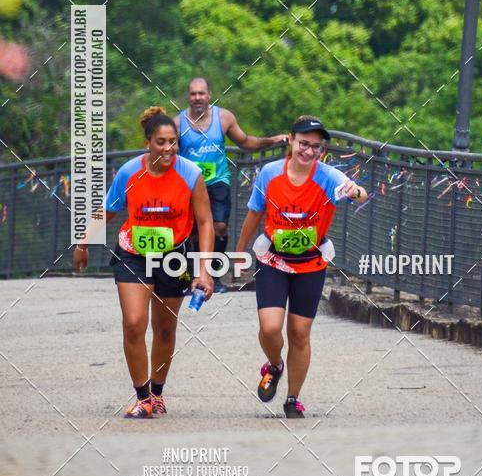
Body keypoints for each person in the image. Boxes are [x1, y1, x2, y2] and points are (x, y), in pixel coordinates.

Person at [73, 106, 214, 419]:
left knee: (165, 329)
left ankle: (158, 393)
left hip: (174, 256)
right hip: (134, 254)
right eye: (161, 142)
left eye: (173, 142)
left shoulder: (191, 173)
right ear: (148, 143)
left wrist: (204, 270)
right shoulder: (129, 172)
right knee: (134, 323)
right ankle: (142, 397)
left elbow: (204, 222)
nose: (168, 148)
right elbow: (108, 210)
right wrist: (82, 242)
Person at [235, 115, 368, 418]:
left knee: (299, 333)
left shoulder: (329, 176)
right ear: (292, 140)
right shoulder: (269, 173)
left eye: (316, 147)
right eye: (303, 144)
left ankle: (293, 398)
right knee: (270, 328)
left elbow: (360, 192)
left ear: (322, 151)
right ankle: (274, 365)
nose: (308, 151)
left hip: (310, 262)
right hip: (273, 259)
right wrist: (239, 252)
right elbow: (255, 214)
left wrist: (353, 191)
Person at [174, 77, 286, 293]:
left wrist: (272, 140)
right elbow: (167, 152)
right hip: (190, 184)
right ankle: (194, 277)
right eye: (193, 94)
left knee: (219, 226)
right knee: (192, 231)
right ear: (188, 96)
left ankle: (214, 276)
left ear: (209, 95)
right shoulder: (178, 123)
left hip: (218, 181)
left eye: (201, 93)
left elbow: (244, 142)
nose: (197, 98)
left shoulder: (223, 118)